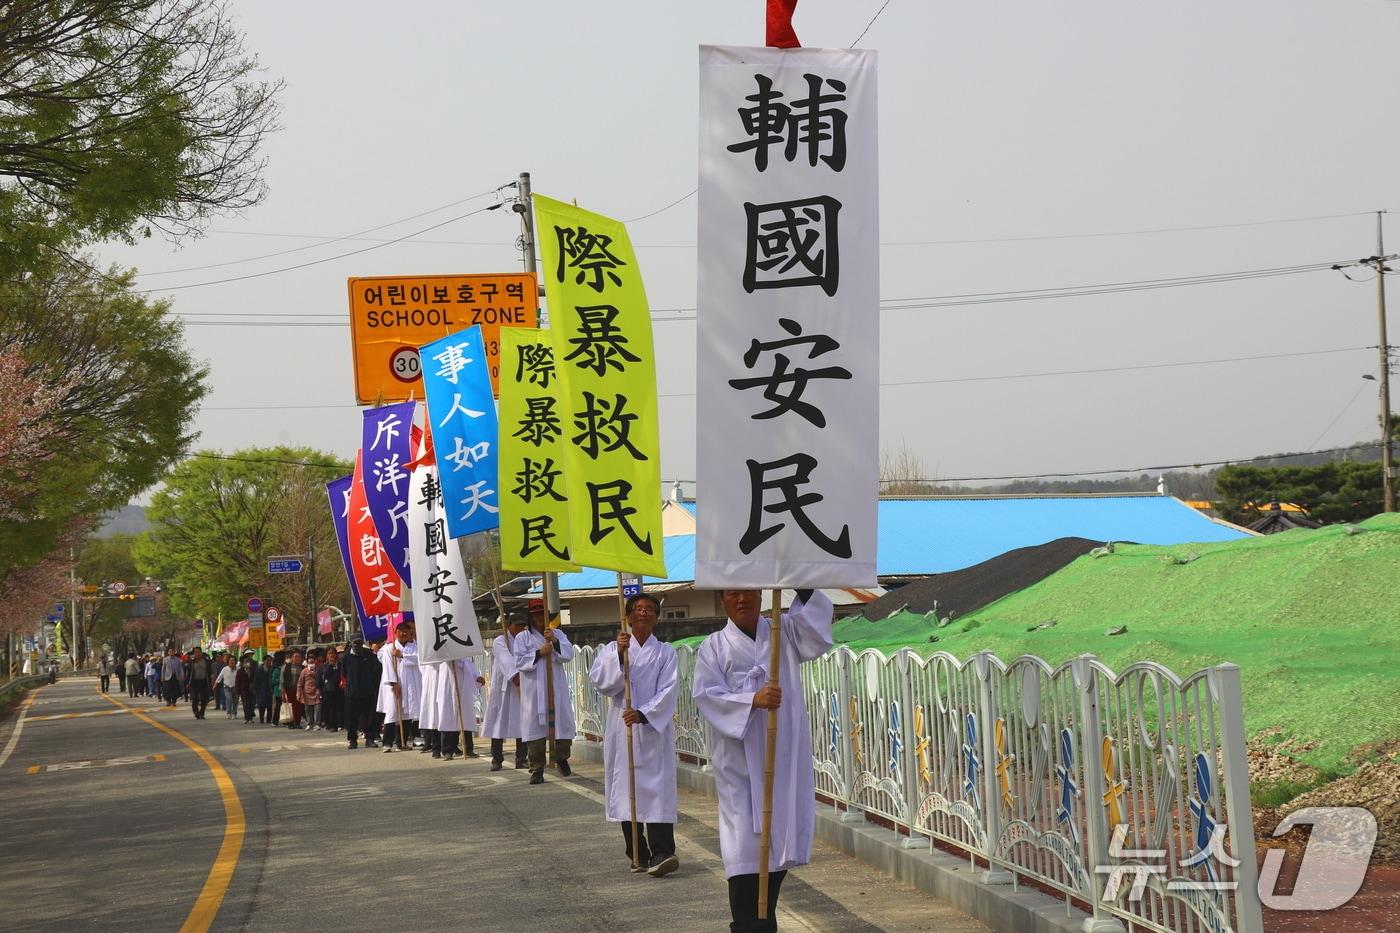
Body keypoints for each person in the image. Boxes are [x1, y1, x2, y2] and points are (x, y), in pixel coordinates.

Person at [693, 588, 834, 933]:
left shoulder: (782, 630)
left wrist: (801, 586)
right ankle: (752, 926)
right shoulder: (713, 646)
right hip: (739, 766)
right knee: (743, 861)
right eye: (733, 594)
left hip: (780, 758)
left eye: (749, 592)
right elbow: (706, 695)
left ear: (761, 595)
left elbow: (816, 633)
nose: (742, 599)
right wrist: (751, 700)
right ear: (723, 600)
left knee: (772, 863)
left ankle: (762, 923)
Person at [589, 593, 681, 877]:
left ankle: (662, 852)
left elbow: (669, 689)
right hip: (622, 728)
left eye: (650, 609)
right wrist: (619, 655)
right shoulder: (612, 649)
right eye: (638, 609)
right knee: (627, 787)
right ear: (628, 616)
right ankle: (636, 852)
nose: (644, 613)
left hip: (652, 729)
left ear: (657, 617)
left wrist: (643, 713)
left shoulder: (666, 653)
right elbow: (602, 683)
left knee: (657, 789)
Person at [512, 599, 575, 784]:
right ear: (530, 618)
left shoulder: (558, 634)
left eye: (542, 614)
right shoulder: (522, 638)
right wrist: (540, 652)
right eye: (536, 615)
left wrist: (554, 642)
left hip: (555, 687)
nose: (539, 618)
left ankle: (561, 757)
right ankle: (537, 768)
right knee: (535, 730)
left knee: (562, 724)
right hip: (534, 690)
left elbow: (568, 655)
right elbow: (520, 661)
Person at [483, 617, 528, 772]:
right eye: (517, 625)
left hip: (521, 686)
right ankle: (496, 759)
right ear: (509, 625)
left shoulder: (525, 640)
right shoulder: (500, 641)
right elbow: (505, 659)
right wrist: (515, 675)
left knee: (522, 723)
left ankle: (521, 758)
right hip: (504, 687)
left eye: (523, 625)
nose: (520, 628)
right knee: (498, 724)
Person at [376, 619, 421, 752]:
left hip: (410, 684)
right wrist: (394, 683)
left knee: (406, 713)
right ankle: (387, 743)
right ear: (396, 633)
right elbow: (388, 668)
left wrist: (403, 655)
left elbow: (419, 659)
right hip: (394, 685)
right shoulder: (389, 648)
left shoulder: (414, 646)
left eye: (407, 632)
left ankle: (402, 742)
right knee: (392, 712)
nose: (404, 634)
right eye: (401, 632)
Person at [344, 637, 381, 749]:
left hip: (368, 691)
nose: (358, 646)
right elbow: (344, 672)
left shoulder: (368, 654)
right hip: (352, 692)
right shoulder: (346, 657)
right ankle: (352, 740)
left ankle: (370, 739)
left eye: (360, 643)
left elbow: (376, 669)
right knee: (352, 718)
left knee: (370, 716)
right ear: (351, 644)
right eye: (355, 643)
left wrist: (370, 682)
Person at [318, 647, 344, 732]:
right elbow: (323, 677)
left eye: (333, 653)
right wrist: (330, 665)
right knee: (330, 708)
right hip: (328, 690)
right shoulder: (324, 666)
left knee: (340, 707)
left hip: (339, 689)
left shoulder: (340, 664)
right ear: (326, 656)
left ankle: (341, 724)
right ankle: (331, 725)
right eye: (329, 653)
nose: (331, 655)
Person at [185, 647, 214, 719]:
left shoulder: (206, 661)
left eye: (198, 652)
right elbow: (188, 673)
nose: (197, 653)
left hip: (204, 681)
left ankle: (202, 713)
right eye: (195, 652)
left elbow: (210, 672)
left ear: (201, 652)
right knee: (195, 699)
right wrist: (187, 683)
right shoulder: (191, 662)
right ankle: (196, 712)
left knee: (204, 699)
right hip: (194, 682)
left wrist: (212, 680)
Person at [297, 653, 323, 731]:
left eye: (312, 662)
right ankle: (309, 724)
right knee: (308, 710)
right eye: (309, 662)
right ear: (307, 663)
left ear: (315, 662)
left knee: (317, 709)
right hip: (306, 693)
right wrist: (299, 694)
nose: (311, 664)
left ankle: (317, 724)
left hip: (317, 692)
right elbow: (300, 684)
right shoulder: (304, 671)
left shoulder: (319, 670)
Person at [281, 651, 304, 728]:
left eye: (298, 657)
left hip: (299, 691)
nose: (297, 658)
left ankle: (297, 723)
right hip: (289, 690)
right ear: (292, 658)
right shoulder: (286, 667)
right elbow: (282, 680)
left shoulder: (302, 667)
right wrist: (282, 691)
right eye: (295, 656)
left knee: (298, 707)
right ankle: (290, 723)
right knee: (290, 706)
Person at [254, 655, 274, 724]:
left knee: (269, 706)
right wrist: (255, 688)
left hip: (270, 689)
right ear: (264, 661)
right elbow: (256, 680)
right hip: (261, 689)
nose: (269, 662)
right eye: (267, 660)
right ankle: (261, 719)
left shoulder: (272, 669)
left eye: (270, 660)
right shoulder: (259, 669)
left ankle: (269, 719)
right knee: (261, 705)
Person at [236, 655, 256, 723]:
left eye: (248, 661)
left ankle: (251, 717)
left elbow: (255, 679)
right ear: (242, 663)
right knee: (246, 704)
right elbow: (237, 682)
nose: (247, 663)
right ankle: (247, 718)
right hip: (244, 690)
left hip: (252, 690)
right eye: (245, 662)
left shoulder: (253, 670)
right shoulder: (240, 671)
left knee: (252, 704)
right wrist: (237, 692)